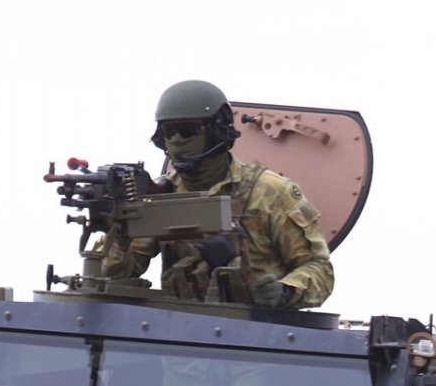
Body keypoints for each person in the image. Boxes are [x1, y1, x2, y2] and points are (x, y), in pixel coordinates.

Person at [99, 80, 333, 309]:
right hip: (178, 326)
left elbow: (319, 269)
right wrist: (119, 238)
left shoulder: (270, 192)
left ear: (216, 131)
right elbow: (111, 275)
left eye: (188, 131)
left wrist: (284, 291)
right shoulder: (162, 195)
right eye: (169, 132)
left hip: (259, 326)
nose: (177, 140)